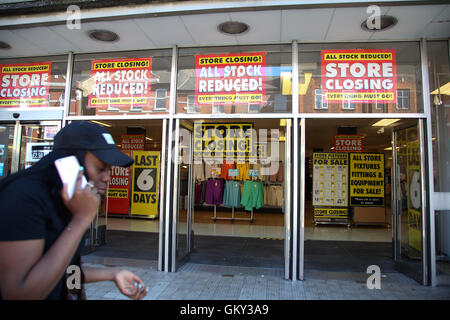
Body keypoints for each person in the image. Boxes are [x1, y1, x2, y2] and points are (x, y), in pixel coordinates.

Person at [0, 121, 147, 300]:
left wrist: (112, 274)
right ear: (70, 163)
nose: (108, 177)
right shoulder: (23, 198)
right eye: (100, 169)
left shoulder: (68, 201)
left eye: (109, 169)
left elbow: (64, 270)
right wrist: (80, 221)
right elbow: (20, 293)